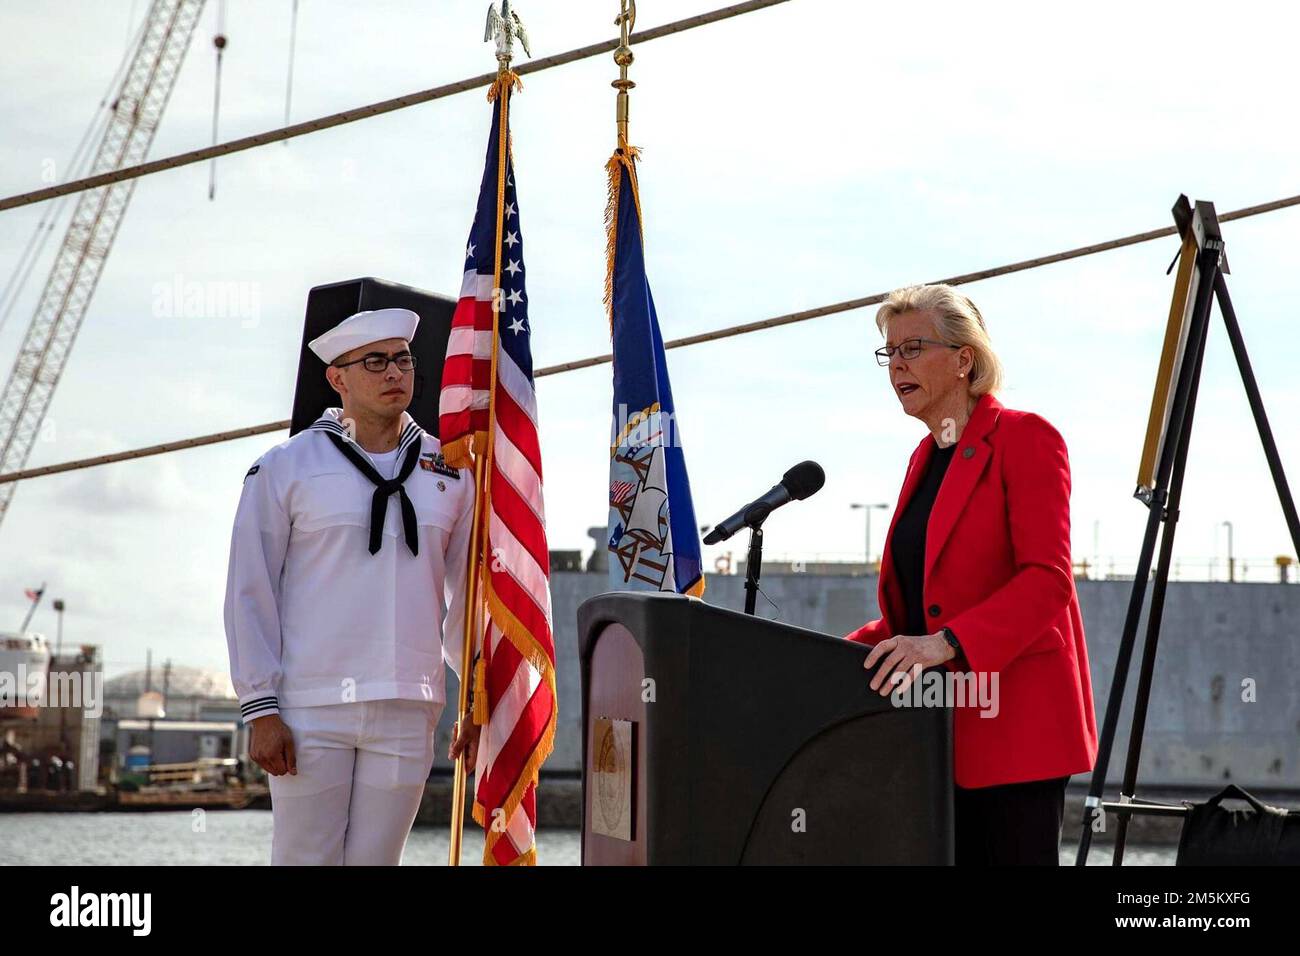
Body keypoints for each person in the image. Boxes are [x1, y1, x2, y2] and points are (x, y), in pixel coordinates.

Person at [847, 283, 1098, 865]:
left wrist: (947, 644)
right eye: (890, 351)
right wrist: (820, 654)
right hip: (931, 737)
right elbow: (917, 611)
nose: (897, 364)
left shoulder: (1026, 438)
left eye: (913, 347)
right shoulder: (923, 457)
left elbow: (1048, 580)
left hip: (1014, 736)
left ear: (965, 359)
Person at [224, 307, 480, 865]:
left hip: (409, 703)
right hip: (309, 706)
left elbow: (469, 594)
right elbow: (250, 591)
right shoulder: (285, 467)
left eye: (404, 360)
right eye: (376, 362)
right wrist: (260, 707)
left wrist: (479, 696)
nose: (395, 373)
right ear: (337, 379)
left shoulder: (455, 470)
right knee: (304, 860)